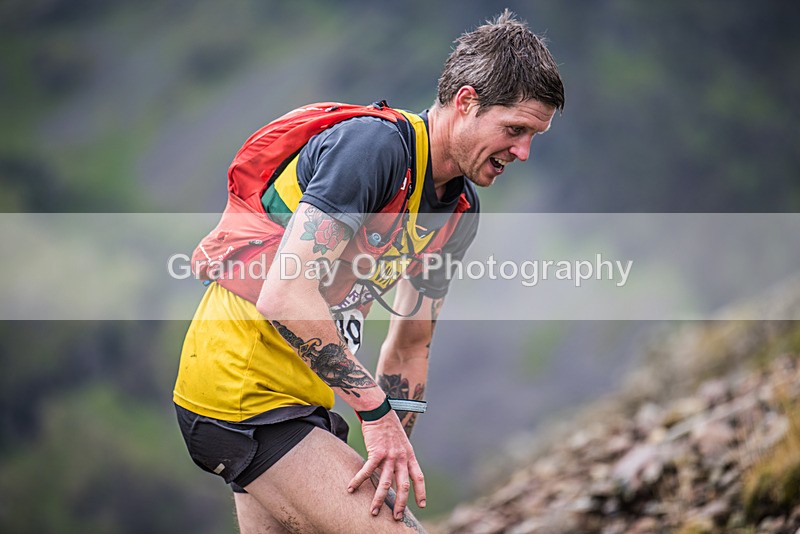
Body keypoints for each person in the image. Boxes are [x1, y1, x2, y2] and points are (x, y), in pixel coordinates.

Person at [173, 9, 564, 533]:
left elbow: (410, 346)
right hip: (241, 391)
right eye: (515, 129)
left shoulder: (458, 212)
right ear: (466, 102)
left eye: (535, 136)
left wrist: (391, 447)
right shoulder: (373, 150)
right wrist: (375, 416)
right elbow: (285, 294)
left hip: (304, 402)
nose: (523, 151)